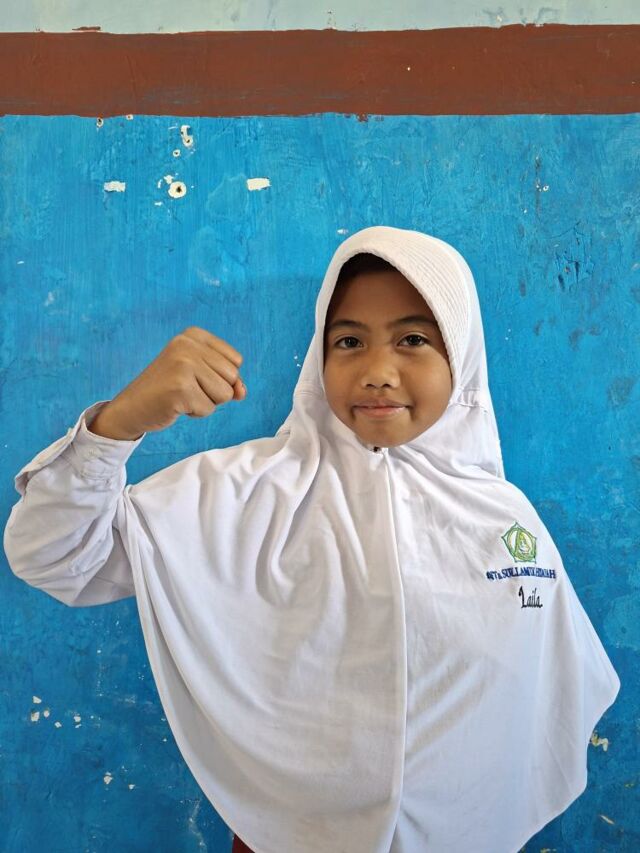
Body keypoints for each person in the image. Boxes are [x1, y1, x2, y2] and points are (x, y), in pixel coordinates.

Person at [4, 226, 620, 853]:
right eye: (348, 341)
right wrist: (117, 426)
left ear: (460, 355)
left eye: (413, 340)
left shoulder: (502, 518)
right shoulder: (242, 493)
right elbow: (55, 555)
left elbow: (551, 693)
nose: (377, 373)